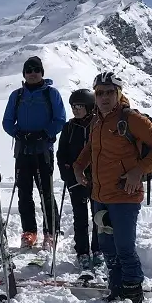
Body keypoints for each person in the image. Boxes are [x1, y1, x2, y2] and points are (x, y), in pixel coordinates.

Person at [73, 72, 152, 303]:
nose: (104, 97)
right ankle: (116, 287)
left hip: (125, 193)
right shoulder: (97, 120)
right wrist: (79, 166)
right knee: (108, 247)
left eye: (109, 92)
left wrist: (139, 171)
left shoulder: (130, 118)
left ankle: (133, 289)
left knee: (124, 247)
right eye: (100, 93)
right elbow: (91, 148)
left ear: (119, 93)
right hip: (100, 194)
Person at [2, 55, 67, 249]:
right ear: (24, 73)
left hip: (43, 150)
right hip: (23, 150)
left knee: (45, 192)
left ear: (42, 73)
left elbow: (60, 119)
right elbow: (7, 121)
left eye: (36, 70)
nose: (32, 73)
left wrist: (44, 134)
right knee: (24, 192)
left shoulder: (51, 94)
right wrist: (18, 133)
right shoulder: (17, 95)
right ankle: (29, 232)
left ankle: (51, 231)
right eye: (28, 70)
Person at [56, 88, 101, 270]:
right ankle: (82, 251)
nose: (75, 110)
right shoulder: (69, 127)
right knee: (80, 217)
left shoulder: (98, 124)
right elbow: (61, 155)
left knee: (99, 216)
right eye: (73, 106)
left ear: (90, 107)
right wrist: (69, 178)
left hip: (97, 179)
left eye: (79, 106)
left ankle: (99, 250)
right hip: (76, 180)